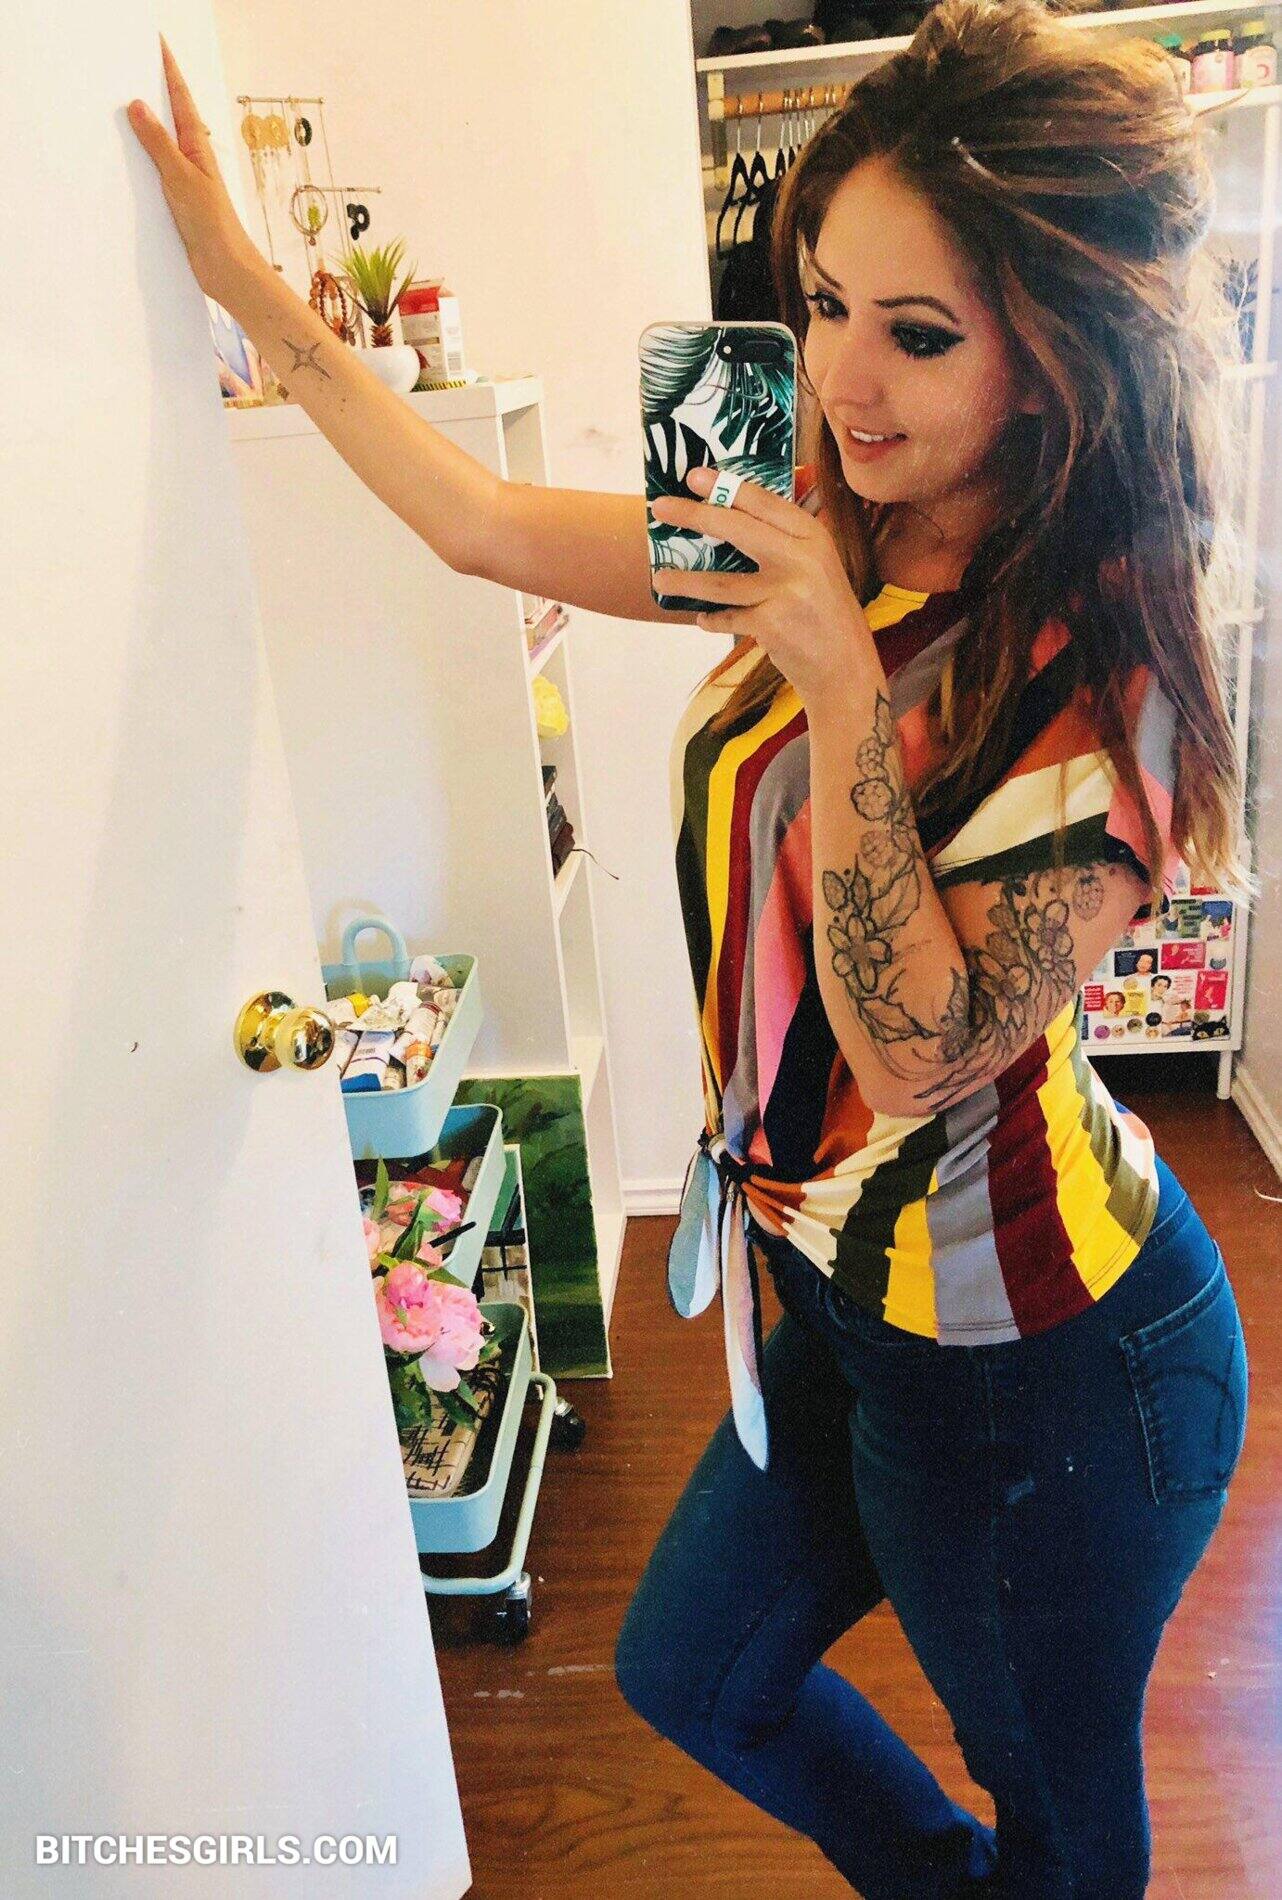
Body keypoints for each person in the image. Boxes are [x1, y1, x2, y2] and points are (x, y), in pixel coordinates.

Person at [128, 4, 1252, 1892]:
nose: (843, 379)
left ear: (1054, 358)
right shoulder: (833, 537)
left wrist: (833, 679)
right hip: (840, 1300)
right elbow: (483, 520)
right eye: (821, 304)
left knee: (1053, 1807)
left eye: (916, 334)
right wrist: (251, 294)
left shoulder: (1102, 682)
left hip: (1044, 1365)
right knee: (692, 1675)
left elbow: (919, 1054)